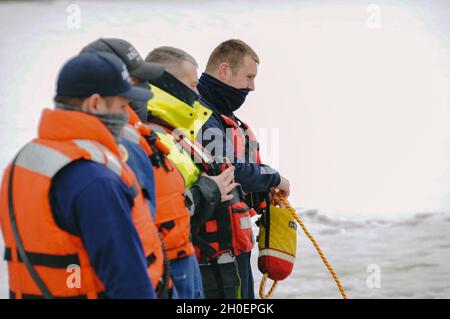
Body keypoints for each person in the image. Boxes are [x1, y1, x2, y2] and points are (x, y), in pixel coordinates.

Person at [0, 52, 163, 299]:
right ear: (95, 103)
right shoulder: (96, 179)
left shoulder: (22, 162)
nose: (126, 116)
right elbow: (129, 284)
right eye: (121, 106)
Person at [145, 46, 251, 299]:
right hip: (188, 263)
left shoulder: (179, 132)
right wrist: (211, 189)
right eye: (192, 85)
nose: (197, 92)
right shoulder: (154, 136)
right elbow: (155, 213)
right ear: (168, 84)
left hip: (210, 262)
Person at [196, 39, 291, 299]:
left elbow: (240, 175)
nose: (252, 86)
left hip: (234, 242)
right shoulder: (202, 116)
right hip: (214, 249)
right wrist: (274, 177)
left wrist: (263, 190)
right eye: (248, 77)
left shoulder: (225, 118)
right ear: (224, 71)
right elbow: (232, 169)